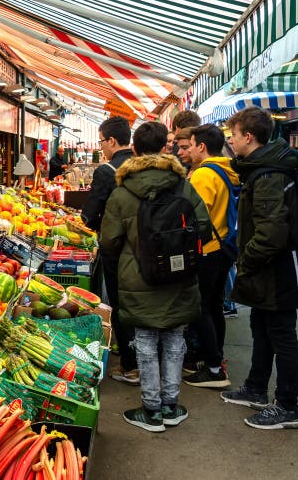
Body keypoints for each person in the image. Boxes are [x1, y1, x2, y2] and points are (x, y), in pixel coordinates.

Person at [101, 122, 211, 432]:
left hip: (138, 278)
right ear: (167, 146)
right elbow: (202, 226)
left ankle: (151, 410)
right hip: (180, 274)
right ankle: (171, 405)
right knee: (175, 338)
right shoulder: (184, 186)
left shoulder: (122, 192)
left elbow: (108, 242)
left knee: (146, 340)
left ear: (134, 149)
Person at [221, 107, 298, 430]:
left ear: (249, 137)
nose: (230, 141)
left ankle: (287, 406)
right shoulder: (262, 169)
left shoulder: (269, 174)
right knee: (261, 328)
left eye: (233, 135)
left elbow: (272, 232)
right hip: (268, 269)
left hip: (279, 270)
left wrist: (245, 260)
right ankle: (256, 388)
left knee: (282, 336)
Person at [81, 116, 137, 384]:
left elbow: (91, 213)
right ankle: (142, 358)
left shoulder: (107, 171)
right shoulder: (142, 165)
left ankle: (130, 364)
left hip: (117, 247)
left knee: (120, 302)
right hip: (143, 246)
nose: (101, 146)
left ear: (112, 141)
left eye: (102, 141)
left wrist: (89, 222)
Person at [182, 124, 238, 389]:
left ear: (201, 146)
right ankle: (213, 357)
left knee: (201, 307)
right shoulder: (226, 169)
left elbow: (196, 217)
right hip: (224, 247)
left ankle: (214, 367)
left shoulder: (204, 175)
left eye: (191, 145)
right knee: (214, 305)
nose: (188, 150)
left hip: (207, 249)